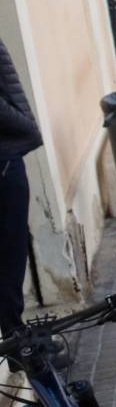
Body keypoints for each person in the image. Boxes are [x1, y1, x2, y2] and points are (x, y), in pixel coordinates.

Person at [0, 36, 43, 338]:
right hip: (3, 161)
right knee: (10, 255)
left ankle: (17, 337)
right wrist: (26, 127)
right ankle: (18, 341)